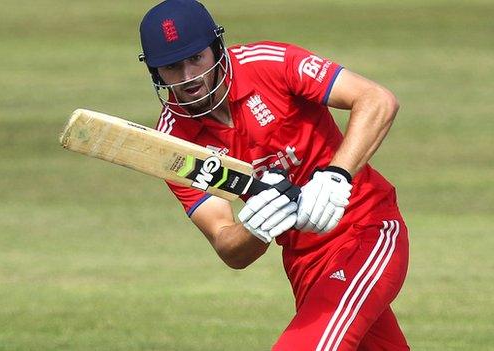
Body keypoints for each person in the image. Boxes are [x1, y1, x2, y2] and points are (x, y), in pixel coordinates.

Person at [138, 1, 409, 350]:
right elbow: (229, 247)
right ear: (156, 73)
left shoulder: (269, 63)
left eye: (196, 58)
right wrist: (255, 229)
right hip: (303, 261)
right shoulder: (172, 144)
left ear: (217, 48)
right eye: (172, 67)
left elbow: (377, 100)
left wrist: (336, 175)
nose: (188, 76)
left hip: (366, 229)